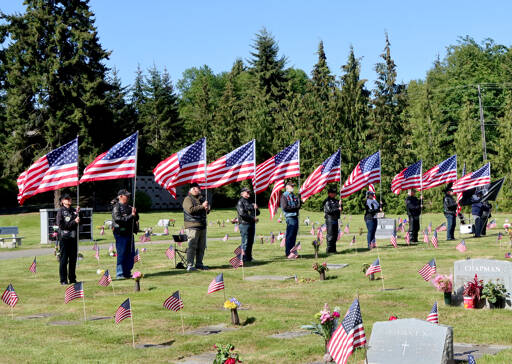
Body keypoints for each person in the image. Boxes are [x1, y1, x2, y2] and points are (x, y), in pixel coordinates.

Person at [112, 189, 139, 279]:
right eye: (126, 195)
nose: (128, 197)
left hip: (129, 233)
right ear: (120, 196)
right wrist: (131, 215)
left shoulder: (130, 207)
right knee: (122, 253)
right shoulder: (116, 207)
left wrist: (135, 213)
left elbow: (136, 218)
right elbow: (118, 219)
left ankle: (127, 272)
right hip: (120, 233)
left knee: (130, 254)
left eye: (128, 195)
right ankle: (120, 273)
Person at [183, 182, 209, 271]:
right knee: (192, 247)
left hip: (202, 225)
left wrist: (207, 208)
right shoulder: (187, 199)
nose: (199, 190)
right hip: (192, 226)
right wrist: (202, 206)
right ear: (193, 189)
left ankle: (199, 264)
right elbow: (190, 210)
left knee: (202, 247)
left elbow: (205, 210)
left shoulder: (201, 199)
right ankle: (190, 265)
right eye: (198, 188)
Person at [56, 193, 80, 285]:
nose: (69, 199)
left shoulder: (74, 210)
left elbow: (79, 223)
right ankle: (63, 280)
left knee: (73, 259)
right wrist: (74, 222)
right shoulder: (60, 211)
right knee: (64, 259)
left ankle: (72, 278)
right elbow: (61, 225)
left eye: (70, 198)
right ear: (62, 201)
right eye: (67, 198)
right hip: (64, 238)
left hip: (73, 237)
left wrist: (78, 213)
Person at [236, 187, 260, 263]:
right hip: (244, 224)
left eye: (249, 192)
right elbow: (242, 214)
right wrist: (253, 218)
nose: (248, 193)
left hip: (251, 224)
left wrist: (256, 208)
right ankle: (242, 258)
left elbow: (258, 213)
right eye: (247, 192)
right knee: (245, 242)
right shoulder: (240, 202)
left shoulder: (250, 201)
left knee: (250, 242)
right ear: (242, 193)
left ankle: (249, 257)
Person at [280, 181, 301, 257]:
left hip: (295, 217)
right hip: (290, 217)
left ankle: (293, 252)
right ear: (287, 187)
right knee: (290, 235)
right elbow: (285, 207)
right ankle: (288, 252)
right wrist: (295, 208)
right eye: (291, 186)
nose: (293, 187)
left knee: (294, 235)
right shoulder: (284, 196)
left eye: (293, 186)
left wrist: (299, 199)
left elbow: (298, 205)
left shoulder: (293, 196)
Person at [323, 187, 342, 253]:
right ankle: (329, 249)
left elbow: (340, 209)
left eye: (335, 193)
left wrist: (340, 205)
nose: (335, 194)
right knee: (330, 235)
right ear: (329, 193)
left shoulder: (336, 201)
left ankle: (334, 249)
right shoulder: (327, 201)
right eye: (333, 193)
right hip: (330, 219)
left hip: (335, 219)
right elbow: (329, 211)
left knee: (335, 235)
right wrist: (337, 209)